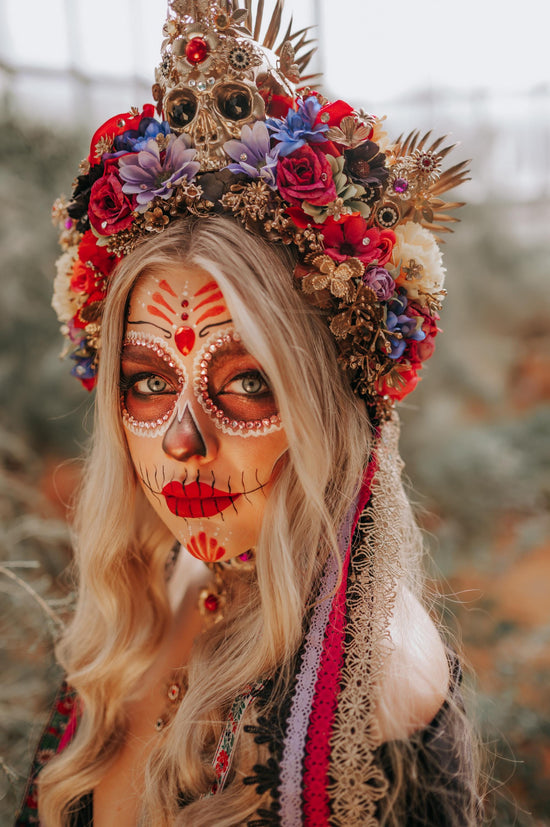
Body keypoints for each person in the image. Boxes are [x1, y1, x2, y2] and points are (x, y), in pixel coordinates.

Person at [16, 1, 480, 824]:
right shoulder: (155, 588)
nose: (183, 441)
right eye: (149, 382)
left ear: (325, 403)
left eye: (248, 383)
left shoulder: (378, 682)